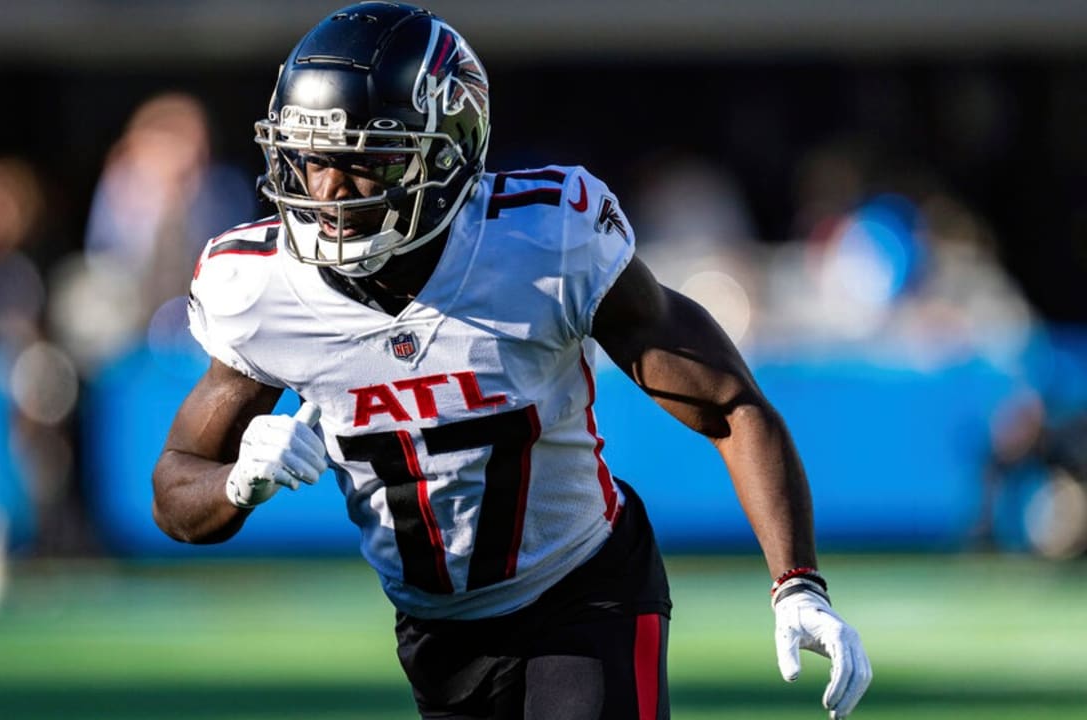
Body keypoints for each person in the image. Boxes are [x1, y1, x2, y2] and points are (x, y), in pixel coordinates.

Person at [151, 3, 872, 718]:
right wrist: (238, 484)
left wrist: (797, 583)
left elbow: (727, 404)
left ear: (448, 150)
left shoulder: (543, 243)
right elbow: (175, 489)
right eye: (310, 159)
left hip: (584, 593)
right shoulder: (257, 286)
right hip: (435, 633)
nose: (330, 191)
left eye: (367, 160)